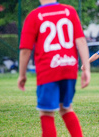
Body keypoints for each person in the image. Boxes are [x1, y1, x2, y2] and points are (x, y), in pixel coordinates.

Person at [17, 0, 90, 136]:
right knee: (66, 108)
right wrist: (86, 68)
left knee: (46, 112)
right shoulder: (70, 11)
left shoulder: (34, 15)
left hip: (48, 69)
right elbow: (80, 40)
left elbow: (25, 49)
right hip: (69, 67)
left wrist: (22, 74)